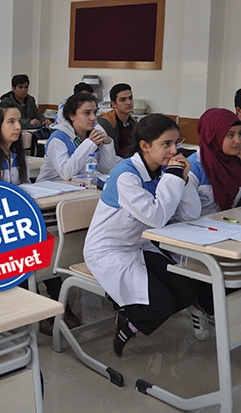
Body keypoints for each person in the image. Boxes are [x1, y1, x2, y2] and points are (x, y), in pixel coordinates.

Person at [83, 114, 209, 357]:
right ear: (145, 145)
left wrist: (183, 180)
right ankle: (128, 319)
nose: (174, 151)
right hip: (109, 250)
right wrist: (173, 177)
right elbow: (156, 218)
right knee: (162, 304)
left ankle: (130, 318)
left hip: (139, 246)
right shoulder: (126, 175)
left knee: (186, 292)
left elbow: (190, 214)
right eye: (166, 144)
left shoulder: (163, 170)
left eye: (176, 143)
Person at [36, 93, 117, 182]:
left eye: (94, 112)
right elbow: (66, 174)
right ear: (72, 116)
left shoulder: (91, 135)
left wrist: (107, 145)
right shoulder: (58, 138)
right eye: (87, 113)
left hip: (78, 186)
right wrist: (89, 143)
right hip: (49, 187)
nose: (93, 118)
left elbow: (105, 170)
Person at [188, 108, 241, 216]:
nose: (238, 141)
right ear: (213, 136)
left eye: (240, 134)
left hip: (226, 223)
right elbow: (183, 215)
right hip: (192, 225)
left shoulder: (236, 162)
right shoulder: (192, 167)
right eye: (230, 135)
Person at [97, 83, 137, 158]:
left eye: (130, 98)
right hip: (113, 162)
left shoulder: (133, 122)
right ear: (114, 104)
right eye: (123, 100)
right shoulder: (105, 123)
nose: (129, 102)